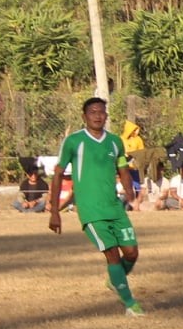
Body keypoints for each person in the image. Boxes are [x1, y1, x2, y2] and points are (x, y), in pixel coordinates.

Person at [49, 96, 143, 315]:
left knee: (131, 253)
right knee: (111, 253)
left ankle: (115, 280)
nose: (97, 116)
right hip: (91, 210)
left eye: (101, 112)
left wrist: (129, 191)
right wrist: (55, 211)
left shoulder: (115, 142)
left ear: (106, 116)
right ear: (84, 116)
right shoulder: (74, 142)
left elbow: (123, 168)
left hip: (114, 207)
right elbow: (58, 174)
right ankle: (130, 304)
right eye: (93, 112)